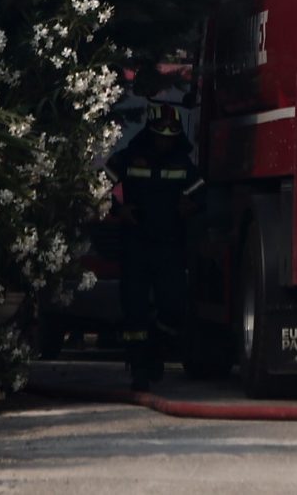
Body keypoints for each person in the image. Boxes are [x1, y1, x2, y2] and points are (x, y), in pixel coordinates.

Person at [110, 92, 201, 391]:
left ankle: (158, 352)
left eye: (170, 136)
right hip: (136, 244)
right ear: (149, 133)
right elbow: (104, 182)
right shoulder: (130, 157)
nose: (164, 141)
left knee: (172, 306)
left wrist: (192, 206)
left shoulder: (184, 163)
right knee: (134, 308)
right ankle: (139, 367)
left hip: (170, 246)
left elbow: (202, 192)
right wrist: (119, 209)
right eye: (159, 135)